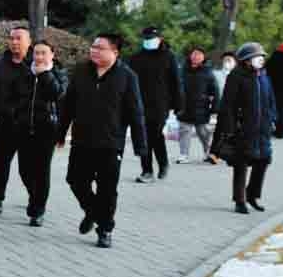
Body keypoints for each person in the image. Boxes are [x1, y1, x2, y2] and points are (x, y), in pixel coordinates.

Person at [57, 33, 147, 250]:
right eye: (93, 47)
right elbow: (68, 104)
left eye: (100, 48)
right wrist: (60, 133)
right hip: (82, 140)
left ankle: (105, 229)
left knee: (107, 189)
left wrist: (140, 144)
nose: (94, 51)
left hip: (110, 143)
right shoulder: (82, 71)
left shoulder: (127, 77)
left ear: (115, 52)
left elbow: (136, 112)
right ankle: (92, 212)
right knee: (75, 180)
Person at [215, 42, 278, 214]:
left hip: (262, 128)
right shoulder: (236, 76)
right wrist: (231, 127)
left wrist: (272, 118)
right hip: (243, 128)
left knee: (263, 160)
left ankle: (252, 195)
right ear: (247, 60)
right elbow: (227, 105)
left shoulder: (263, 76)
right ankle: (240, 200)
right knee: (241, 163)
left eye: (262, 57)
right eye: (257, 57)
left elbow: (271, 99)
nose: (261, 60)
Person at [0, 25, 33, 214]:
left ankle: (36, 199)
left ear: (29, 42)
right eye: (12, 38)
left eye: (19, 38)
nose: (14, 42)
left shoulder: (35, 64)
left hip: (28, 124)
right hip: (5, 122)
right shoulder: (1, 65)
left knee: (28, 168)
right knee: (0, 162)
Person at [13, 40, 68, 226]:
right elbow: (15, 96)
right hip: (24, 128)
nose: (39, 57)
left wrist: (45, 74)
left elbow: (57, 94)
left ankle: (38, 210)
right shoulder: (25, 72)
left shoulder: (59, 74)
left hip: (47, 130)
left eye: (44, 53)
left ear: (52, 54)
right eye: (36, 53)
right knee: (24, 170)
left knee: (42, 171)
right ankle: (35, 196)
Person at [127, 26, 182, 182]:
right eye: (146, 38)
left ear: (159, 39)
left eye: (151, 38)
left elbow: (176, 82)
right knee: (143, 136)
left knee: (155, 134)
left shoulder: (168, 57)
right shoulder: (136, 58)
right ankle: (147, 171)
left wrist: (178, 105)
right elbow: (129, 82)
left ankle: (163, 163)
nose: (148, 41)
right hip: (139, 103)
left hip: (160, 104)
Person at [176, 47, 220, 165]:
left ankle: (208, 152)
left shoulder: (208, 72)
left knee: (203, 132)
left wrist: (215, 108)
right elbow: (174, 87)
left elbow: (215, 91)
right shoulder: (182, 71)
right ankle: (184, 154)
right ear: (190, 56)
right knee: (184, 131)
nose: (196, 56)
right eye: (194, 54)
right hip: (184, 107)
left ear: (204, 57)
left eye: (200, 54)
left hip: (201, 108)